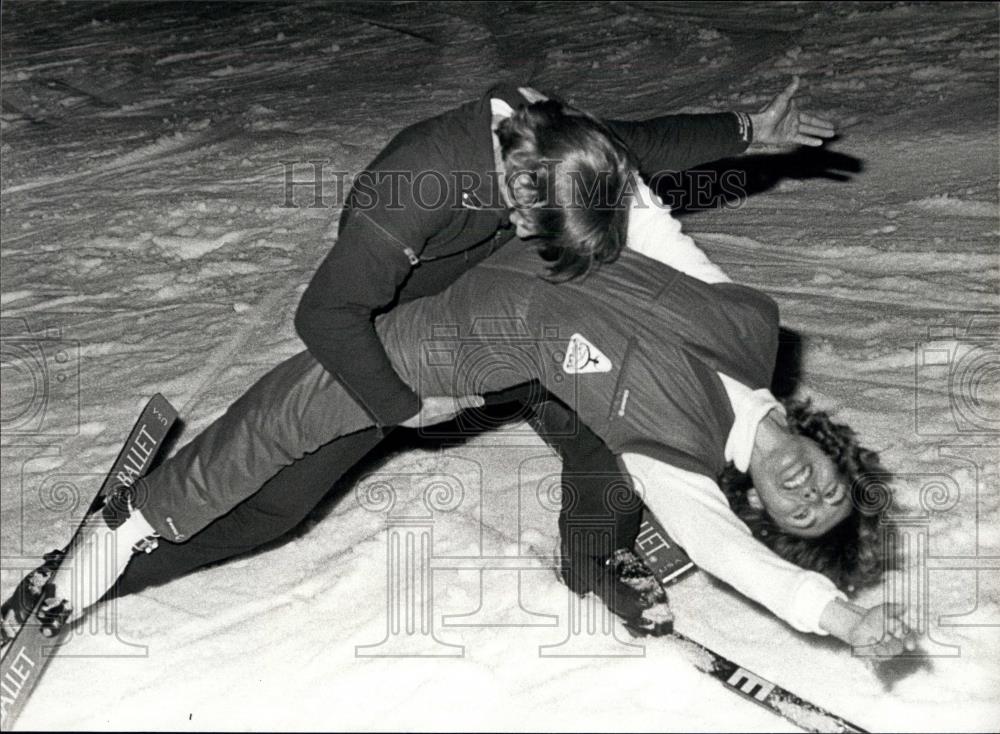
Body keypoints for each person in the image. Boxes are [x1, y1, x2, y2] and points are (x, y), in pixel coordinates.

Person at [9, 165, 915, 656]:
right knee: (285, 492)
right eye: (830, 491)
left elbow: (723, 551)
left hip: (516, 361)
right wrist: (565, 161)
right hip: (467, 283)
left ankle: (595, 560)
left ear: (760, 509)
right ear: (833, 452)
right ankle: (106, 558)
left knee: (604, 472)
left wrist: (832, 615)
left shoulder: (675, 465)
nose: (807, 492)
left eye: (799, 514)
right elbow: (645, 219)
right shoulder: (747, 327)